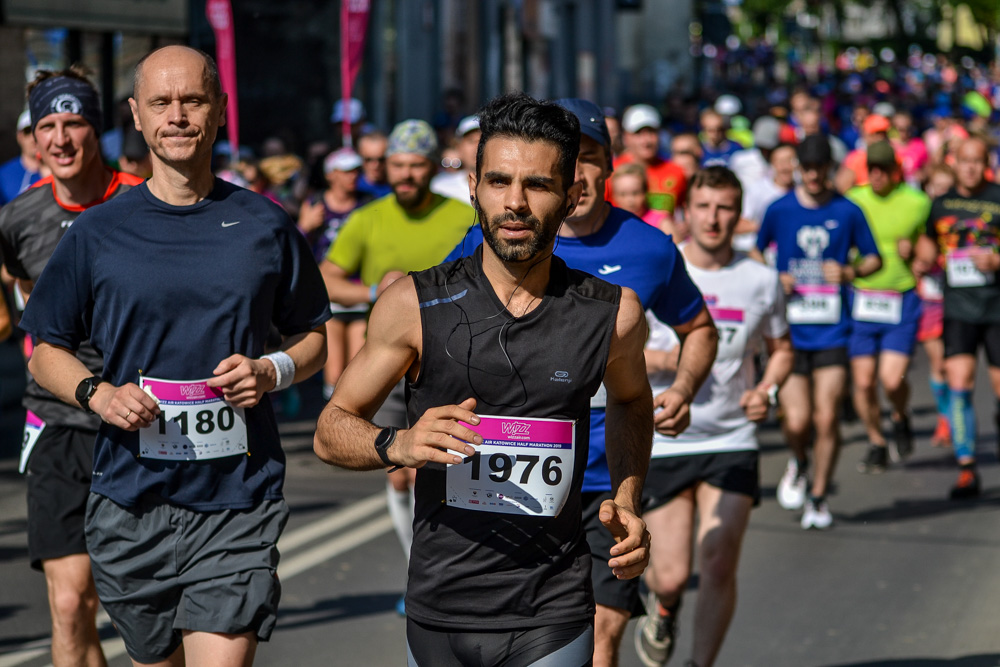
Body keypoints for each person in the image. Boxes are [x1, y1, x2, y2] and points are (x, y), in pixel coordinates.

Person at [314, 91, 654, 666]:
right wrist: (399, 444)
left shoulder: (612, 314)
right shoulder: (412, 305)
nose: (515, 203)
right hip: (440, 606)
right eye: (498, 181)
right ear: (473, 187)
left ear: (572, 196)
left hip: (553, 605)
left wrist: (627, 498)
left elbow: (631, 399)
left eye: (538, 185)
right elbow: (330, 429)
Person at [19, 45, 330, 666]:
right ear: (137, 115)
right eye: (161, 102)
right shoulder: (98, 232)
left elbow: (314, 337)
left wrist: (272, 370)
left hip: (238, 497)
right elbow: (44, 350)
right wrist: (98, 395)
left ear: (219, 110)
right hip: (131, 500)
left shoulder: (264, 225)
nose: (178, 115)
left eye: (193, 100)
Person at [443, 98, 716, 667]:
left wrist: (684, 389)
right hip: (511, 473)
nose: (582, 174)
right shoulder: (496, 238)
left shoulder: (649, 248)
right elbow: (435, 321)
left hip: (603, 484)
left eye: (592, 159)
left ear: (608, 167)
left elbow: (700, 328)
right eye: (573, 160)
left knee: (600, 637)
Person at [0, 66, 144, 667]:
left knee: (144, 607)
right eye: (46, 126)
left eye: (75, 123)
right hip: (59, 419)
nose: (59, 139)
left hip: (142, 419)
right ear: (32, 137)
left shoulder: (146, 201)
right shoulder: (18, 219)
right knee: (68, 603)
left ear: (98, 130)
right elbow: (19, 289)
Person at [636, 166, 793, 667]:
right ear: (686, 211)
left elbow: (782, 349)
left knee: (720, 560)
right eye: (703, 206)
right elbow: (616, 350)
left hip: (732, 436)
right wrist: (667, 362)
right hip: (665, 438)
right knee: (672, 574)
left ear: (738, 214)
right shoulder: (661, 266)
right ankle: (663, 607)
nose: (713, 218)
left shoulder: (762, 280)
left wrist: (767, 390)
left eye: (725, 208)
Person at [320, 118, 473, 613]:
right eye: (398, 165)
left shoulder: (461, 216)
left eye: (416, 165)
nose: (406, 174)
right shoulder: (367, 219)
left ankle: (451, 566)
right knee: (399, 469)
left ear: (432, 167)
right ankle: (419, 572)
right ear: (386, 168)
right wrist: (374, 293)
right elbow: (327, 278)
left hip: (451, 359)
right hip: (386, 363)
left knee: (446, 463)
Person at [756, 134, 881, 529]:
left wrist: (849, 271)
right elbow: (757, 250)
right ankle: (800, 459)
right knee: (797, 421)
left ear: (830, 168)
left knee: (826, 419)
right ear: (798, 168)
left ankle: (819, 496)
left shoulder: (848, 211)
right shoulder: (779, 209)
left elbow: (874, 258)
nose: (812, 175)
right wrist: (775, 277)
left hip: (833, 330)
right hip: (789, 332)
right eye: (806, 168)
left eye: (819, 168)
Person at [915, 136, 1000, 499]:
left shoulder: (997, 197)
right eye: (963, 160)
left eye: (976, 161)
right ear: (954, 162)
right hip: (959, 308)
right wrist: (919, 254)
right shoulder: (941, 204)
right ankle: (967, 469)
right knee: (959, 384)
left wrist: (997, 262)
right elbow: (929, 245)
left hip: (996, 306)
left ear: (985, 163)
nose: (969, 167)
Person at [846, 141, 930, 473]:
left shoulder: (917, 202)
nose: (878, 175)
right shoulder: (854, 200)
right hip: (862, 299)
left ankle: (900, 414)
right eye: (873, 168)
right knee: (864, 383)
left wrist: (920, 254)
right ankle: (876, 441)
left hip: (901, 297)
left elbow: (931, 247)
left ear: (897, 170)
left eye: (884, 169)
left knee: (891, 381)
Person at [298, 148, 373, 400]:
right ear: (331, 175)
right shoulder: (315, 204)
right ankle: (333, 421)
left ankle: (355, 420)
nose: (352, 177)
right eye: (345, 171)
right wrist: (304, 227)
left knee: (357, 370)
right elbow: (297, 250)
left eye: (355, 171)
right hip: (327, 294)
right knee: (333, 372)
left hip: (359, 291)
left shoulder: (367, 204)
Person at [919, 164, 957, 449]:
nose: (940, 193)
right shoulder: (921, 217)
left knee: (953, 364)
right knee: (939, 362)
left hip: (956, 299)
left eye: (946, 188)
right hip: (930, 299)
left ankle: (953, 416)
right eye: (936, 187)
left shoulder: (959, 218)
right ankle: (946, 417)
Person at [609, 104, 687, 217]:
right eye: (638, 133)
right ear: (626, 137)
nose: (646, 141)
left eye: (651, 132)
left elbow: (684, 212)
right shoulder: (611, 172)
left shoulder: (677, 172)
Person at [431, 115, 480, 201]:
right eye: (471, 141)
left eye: (483, 140)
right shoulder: (440, 188)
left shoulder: (507, 188)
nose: (477, 146)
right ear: (459, 147)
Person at [0, 110, 43, 205]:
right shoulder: (3, 175)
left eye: (38, 130)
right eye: (28, 131)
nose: (33, 137)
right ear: (19, 136)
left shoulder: (60, 172)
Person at [356, 130, 391, 198]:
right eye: (369, 160)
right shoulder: (353, 188)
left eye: (381, 160)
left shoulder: (398, 187)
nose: (375, 165)